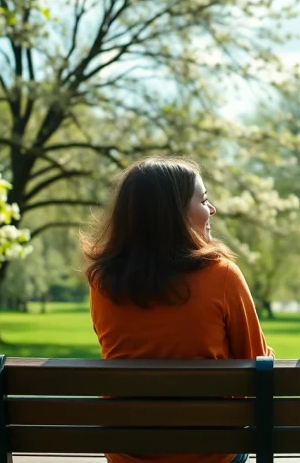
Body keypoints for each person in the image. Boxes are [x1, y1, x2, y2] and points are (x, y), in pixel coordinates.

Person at [83, 157, 272, 463]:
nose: (212, 210)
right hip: (211, 455)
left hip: (129, 454)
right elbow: (258, 363)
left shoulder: (102, 283)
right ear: (174, 213)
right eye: (204, 200)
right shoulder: (222, 275)